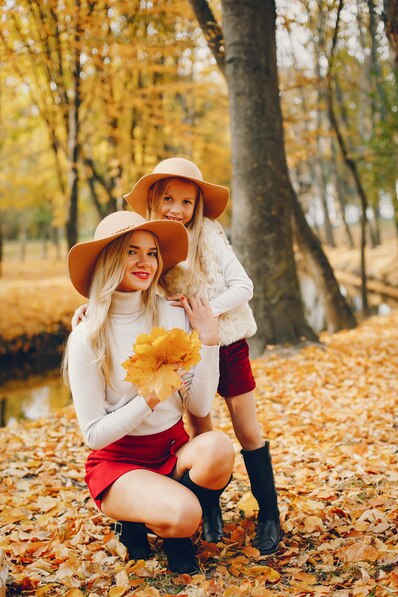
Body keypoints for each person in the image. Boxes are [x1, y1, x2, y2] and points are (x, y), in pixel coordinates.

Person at [122, 158, 283, 556]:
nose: (177, 209)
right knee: (204, 434)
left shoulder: (208, 233)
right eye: (169, 199)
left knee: (247, 432)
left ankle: (269, 514)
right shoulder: (150, 237)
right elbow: (125, 280)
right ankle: (210, 512)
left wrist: (206, 310)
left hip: (227, 343)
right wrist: (91, 308)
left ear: (197, 207)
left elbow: (243, 285)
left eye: (187, 202)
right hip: (186, 352)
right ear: (154, 201)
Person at [63, 210, 235, 575]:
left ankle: (169, 524)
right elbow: (93, 435)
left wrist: (209, 342)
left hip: (171, 451)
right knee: (186, 513)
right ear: (109, 258)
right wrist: (151, 397)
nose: (145, 262)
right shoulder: (87, 335)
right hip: (118, 464)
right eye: (131, 251)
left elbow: (200, 403)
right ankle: (147, 521)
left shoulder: (171, 313)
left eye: (152, 252)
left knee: (219, 448)